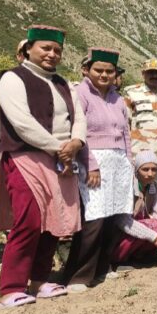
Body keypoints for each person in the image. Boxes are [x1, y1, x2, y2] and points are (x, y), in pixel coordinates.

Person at [0, 25, 86, 308]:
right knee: (30, 220)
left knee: (54, 221)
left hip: (60, 159)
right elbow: (21, 122)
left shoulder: (64, 83)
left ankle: (38, 280)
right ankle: (10, 288)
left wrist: (77, 142)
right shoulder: (11, 78)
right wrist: (58, 148)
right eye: (45, 48)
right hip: (26, 156)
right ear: (28, 49)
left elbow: (79, 117)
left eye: (57, 50)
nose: (52, 54)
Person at [62, 48, 134, 293]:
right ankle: (79, 276)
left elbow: (125, 132)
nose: (104, 75)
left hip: (118, 163)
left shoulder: (118, 98)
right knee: (93, 219)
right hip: (93, 162)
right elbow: (78, 132)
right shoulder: (80, 94)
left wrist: (129, 162)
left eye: (109, 71)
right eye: (99, 70)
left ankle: (103, 268)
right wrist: (90, 164)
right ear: (86, 70)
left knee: (114, 217)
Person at [111, 151, 157, 266]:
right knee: (154, 227)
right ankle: (120, 258)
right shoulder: (128, 186)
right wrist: (153, 236)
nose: (150, 173)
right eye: (145, 169)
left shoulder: (154, 186)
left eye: (154, 169)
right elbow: (122, 221)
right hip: (121, 232)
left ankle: (139, 255)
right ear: (137, 170)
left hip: (140, 226)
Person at [0, 39, 27, 157]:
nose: (28, 55)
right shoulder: (2, 78)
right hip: (9, 145)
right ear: (18, 56)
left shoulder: (51, 82)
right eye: (24, 52)